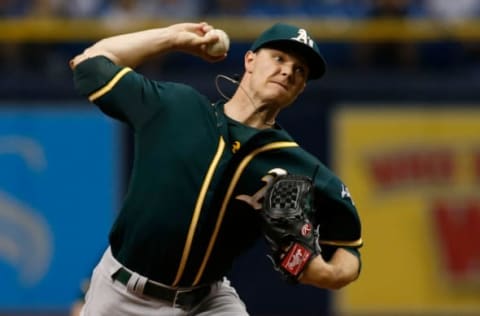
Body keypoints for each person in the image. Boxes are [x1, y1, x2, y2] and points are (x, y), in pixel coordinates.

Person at [69, 21, 363, 315]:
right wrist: (172, 38)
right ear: (250, 60)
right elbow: (90, 63)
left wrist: (325, 273)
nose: (288, 71)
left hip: (207, 303)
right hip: (122, 296)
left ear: (300, 89)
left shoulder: (295, 166)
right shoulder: (175, 108)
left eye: (300, 70)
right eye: (279, 58)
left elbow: (349, 246)